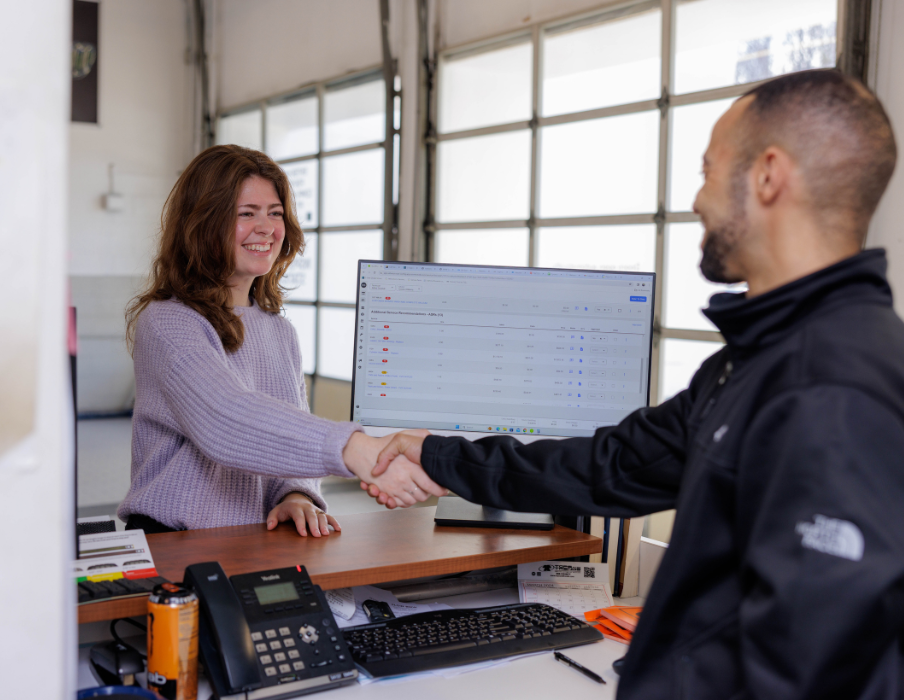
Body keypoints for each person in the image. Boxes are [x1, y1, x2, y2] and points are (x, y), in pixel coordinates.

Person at [365, 70, 904, 698]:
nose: (698, 198)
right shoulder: (760, 359)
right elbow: (611, 465)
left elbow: (810, 666)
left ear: (767, 175)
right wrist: (440, 455)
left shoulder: (830, 387)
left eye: (708, 170)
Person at [118, 145, 444, 537]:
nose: (267, 228)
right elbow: (227, 420)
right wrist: (356, 448)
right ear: (202, 223)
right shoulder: (169, 322)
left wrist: (297, 494)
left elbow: (285, 436)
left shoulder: (278, 330)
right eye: (245, 214)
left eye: (275, 213)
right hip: (176, 543)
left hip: (254, 541)